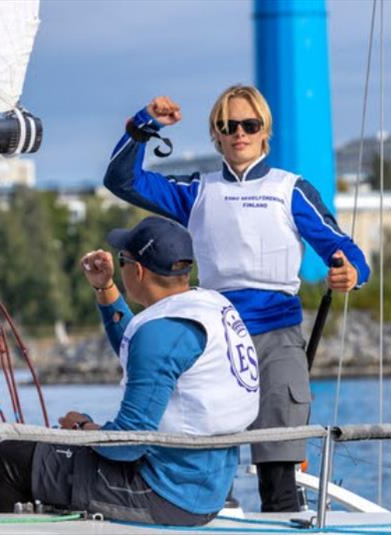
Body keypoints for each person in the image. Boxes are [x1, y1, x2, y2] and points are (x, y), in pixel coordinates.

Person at [103, 86, 371, 512]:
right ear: (216, 134)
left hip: (278, 338)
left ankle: (284, 514)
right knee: (209, 467)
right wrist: (143, 125)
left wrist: (351, 274)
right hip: (217, 340)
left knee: (279, 469)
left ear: (265, 131)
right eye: (228, 126)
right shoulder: (198, 191)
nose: (239, 134)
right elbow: (121, 180)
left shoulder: (292, 190)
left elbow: (344, 249)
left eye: (249, 125)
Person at [0, 216, 260, 525]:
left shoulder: (160, 333)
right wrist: (106, 289)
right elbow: (148, 357)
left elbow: (128, 446)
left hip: (165, 494)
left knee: (10, 457)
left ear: (139, 271)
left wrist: (82, 429)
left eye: (123, 261)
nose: (121, 267)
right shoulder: (211, 305)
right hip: (209, 487)